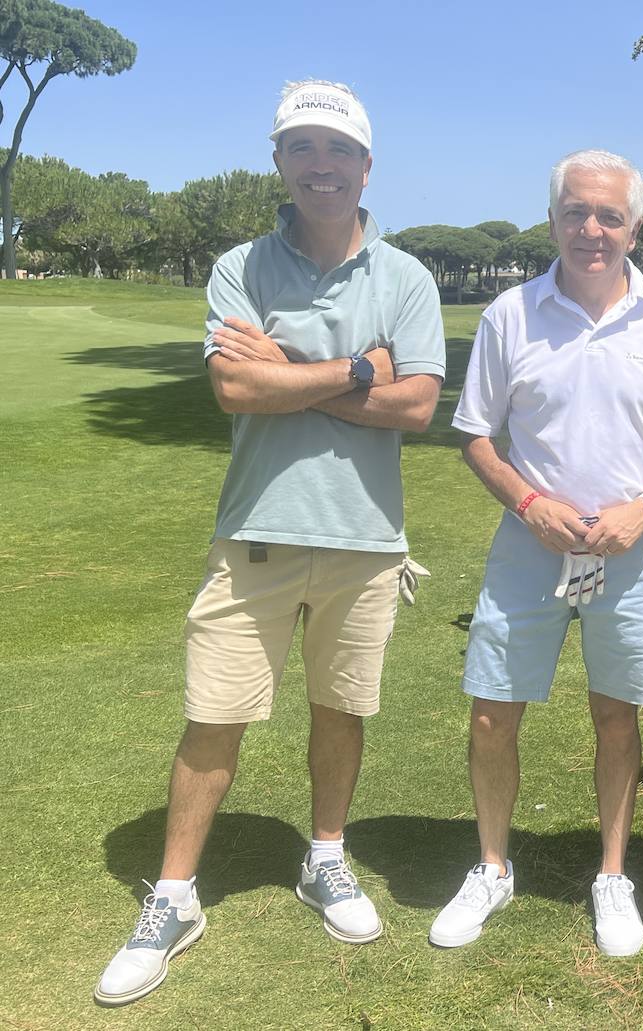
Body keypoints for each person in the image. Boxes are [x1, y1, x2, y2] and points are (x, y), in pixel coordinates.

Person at [95, 80, 445, 1006]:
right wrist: (356, 368)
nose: (319, 165)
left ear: (367, 166)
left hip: (366, 538)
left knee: (341, 709)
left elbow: (415, 406)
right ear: (280, 163)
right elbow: (233, 391)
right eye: (302, 148)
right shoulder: (241, 266)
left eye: (336, 149)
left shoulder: (405, 277)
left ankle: (325, 857)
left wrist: (288, 367)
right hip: (255, 530)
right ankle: (174, 895)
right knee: (215, 714)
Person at [434, 149, 643, 958]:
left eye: (609, 215)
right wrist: (528, 501)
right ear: (553, 216)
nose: (591, 230)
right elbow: (476, 437)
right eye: (575, 212)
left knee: (615, 713)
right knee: (493, 708)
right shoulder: (510, 314)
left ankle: (612, 873)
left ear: (634, 226)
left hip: (630, 547)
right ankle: (492, 865)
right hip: (531, 543)